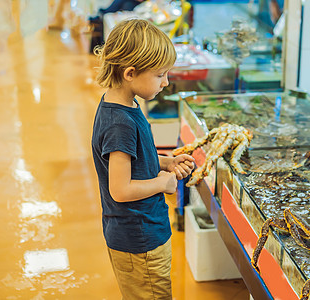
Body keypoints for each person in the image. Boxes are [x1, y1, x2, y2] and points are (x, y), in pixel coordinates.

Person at [91, 19, 195, 299]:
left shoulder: (121, 105)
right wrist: (164, 184)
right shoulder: (120, 124)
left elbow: (134, 159)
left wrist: (165, 162)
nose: (166, 82)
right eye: (160, 74)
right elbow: (121, 189)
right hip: (139, 239)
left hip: (140, 231)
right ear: (130, 73)